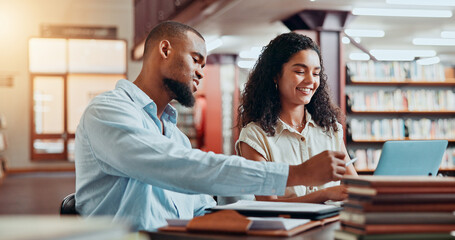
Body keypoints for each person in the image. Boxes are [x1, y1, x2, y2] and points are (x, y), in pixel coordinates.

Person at [74, 21, 347, 231]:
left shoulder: (176, 137)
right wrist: (295, 175)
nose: (201, 72)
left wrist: (252, 218)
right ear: (165, 50)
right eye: (196, 59)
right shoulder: (108, 111)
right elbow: (178, 166)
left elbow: (203, 209)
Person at [236, 32, 357, 203]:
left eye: (316, 74)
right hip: (288, 228)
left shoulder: (330, 128)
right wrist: (325, 194)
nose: (310, 80)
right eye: (300, 71)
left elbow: (355, 185)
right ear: (276, 75)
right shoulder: (254, 136)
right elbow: (268, 205)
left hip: (333, 225)